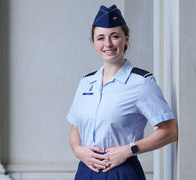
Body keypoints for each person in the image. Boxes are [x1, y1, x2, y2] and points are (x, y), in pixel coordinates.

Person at [67, 4, 178, 180]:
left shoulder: (141, 82)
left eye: (115, 36)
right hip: (86, 171)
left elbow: (170, 131)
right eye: (101, 38)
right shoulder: (86, 82)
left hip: (122, 171)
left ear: (126, 39)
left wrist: (129, 149)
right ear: (94, 42)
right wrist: (78, 150)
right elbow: (75, 127)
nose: (108, 44)